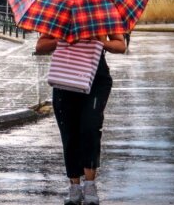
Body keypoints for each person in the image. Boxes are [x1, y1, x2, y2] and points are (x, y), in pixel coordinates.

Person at [36, 33, 127, 205]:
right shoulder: (61, 12)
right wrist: (63, 40)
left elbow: (121, 46)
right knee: (69, 133)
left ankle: (90, 185)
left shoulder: (102, 11)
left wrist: (102, 42)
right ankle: (74, 187)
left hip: (96, 80)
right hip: (65, 78)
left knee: (90, 128)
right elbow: (40, 46)